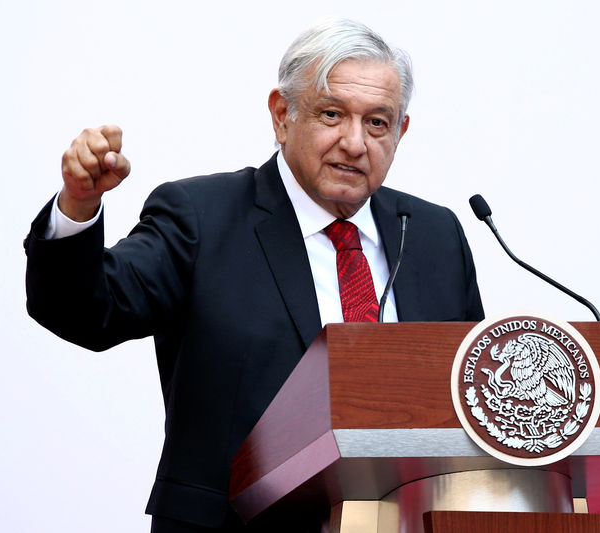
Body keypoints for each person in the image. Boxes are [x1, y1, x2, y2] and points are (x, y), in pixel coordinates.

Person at [24, 18, 483, 532]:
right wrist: (79, 206)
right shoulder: (202, 217)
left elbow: (467, 403)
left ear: (400, 132)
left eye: (377, 123)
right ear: (283, 115)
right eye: (332, 114)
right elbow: (87, 311)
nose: (355, 143)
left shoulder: (433, 235)